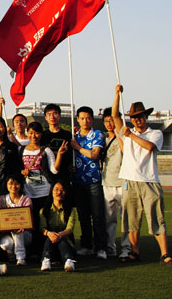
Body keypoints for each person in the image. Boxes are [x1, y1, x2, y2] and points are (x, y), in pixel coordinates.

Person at [112, 85, 172, 266]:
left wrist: (130, 135)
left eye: (140, 116)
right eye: (134, 117)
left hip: (149, 181)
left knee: (157, 218)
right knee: (131, 220)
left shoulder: (155, 133)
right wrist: (117, 94)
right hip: (130, 181)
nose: (137, 120)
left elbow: (149, 147)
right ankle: (135, 252)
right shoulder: (127, 131)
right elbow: (115, 115)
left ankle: (165, 253)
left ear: (145, 117)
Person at [20, 121, 64, 255]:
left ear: (41, 134)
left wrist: (60, 155)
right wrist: (22, 172)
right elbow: (17, 169)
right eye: (31, 133)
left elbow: (54, 170)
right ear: (27, 133)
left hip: (44, 192)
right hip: (28, 192)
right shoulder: (21, 150)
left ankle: (47, 251)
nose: (34, 136)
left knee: (44, 222)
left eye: (37, 133)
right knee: (31, 223)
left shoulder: (46, 150)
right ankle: (34, 252)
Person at [69, 106, 107, 259]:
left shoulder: (97, 134)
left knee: (97, 216)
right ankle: (86, 246)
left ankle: (101, 248)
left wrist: (77, 147)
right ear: (78, 119)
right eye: (82, 118)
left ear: (92, 119)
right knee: (83, 216)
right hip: (78, 181)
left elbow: (94, 154)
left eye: (88, 118)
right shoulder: (74, 136)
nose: (85, 121)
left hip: (94, 180)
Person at [101, 107, 131, 259]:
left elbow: (126, 150)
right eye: (106, 121)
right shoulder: (102, 138)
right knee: (109, 219)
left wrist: (119, 134)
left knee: (126, 218)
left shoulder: (125, 137)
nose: (109, 124)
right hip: (107, 183)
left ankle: (126, 248)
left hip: (123, 182)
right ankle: (110, 247)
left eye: (112, 120)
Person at [40, 180, 78, 272]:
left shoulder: (71, 210)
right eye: (56, 189)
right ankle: (46, 260)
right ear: (51, 191)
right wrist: (49, 234)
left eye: (62, 190)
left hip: (66, 243)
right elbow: (42, 228)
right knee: (51, 235)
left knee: (61, 238)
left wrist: (60, 235)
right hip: (49, 244)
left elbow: (70, 229)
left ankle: (69, 261)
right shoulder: (44, 210)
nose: (59, 192)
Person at [0, 174, 33, 265]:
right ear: (6, 185)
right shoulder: (1, 200)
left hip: (25, 234)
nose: (13, 186)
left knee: (17, 230)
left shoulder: (26, 200)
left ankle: (21, 258)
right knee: (6, 244)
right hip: (7, 234)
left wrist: (21, 226)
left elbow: (29, 219)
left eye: (17, 184)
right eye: (10, 183)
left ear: (20, 185)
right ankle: (11, 256)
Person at [41, 103, 73, 188]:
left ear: (59, 116)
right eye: (49, 114)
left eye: (55, 113)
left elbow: (70, 153)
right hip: (47, 174)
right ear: (45, 117)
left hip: (64, 173)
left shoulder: (67, 135)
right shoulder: (42, 135)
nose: (52, 117)